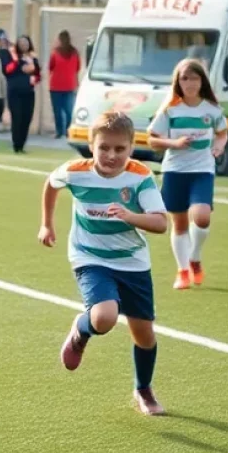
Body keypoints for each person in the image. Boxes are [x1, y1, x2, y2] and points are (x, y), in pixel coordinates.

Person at [38, 110, 169, 416]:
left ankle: (143, 389)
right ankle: (81, 330)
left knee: (144, 335)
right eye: (104, 148)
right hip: (89, 256)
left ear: (131, 148)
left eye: (120, 149)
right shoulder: (76, 171)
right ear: (91, 146)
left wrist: (130, 216)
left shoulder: (139, 177)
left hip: (133, 262)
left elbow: (161, 224)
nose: (111, 155)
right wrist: (47, 224)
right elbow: (51, 184)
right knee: (104, 317)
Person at [148, 58, 228, 290]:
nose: (190, 83)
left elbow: (222, 133)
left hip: (202, 170)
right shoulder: (170, 109)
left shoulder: (212, 110)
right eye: (185, 78)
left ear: (202, 80)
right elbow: (152, 140)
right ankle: (183, 270)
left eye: (194, 78)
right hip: (174, 170)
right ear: (178, 82)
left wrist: (219, 146)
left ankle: (194, 257)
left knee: (202, 216)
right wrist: (174, 143)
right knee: (180, 224)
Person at [2, 35, 41, 153]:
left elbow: (38, 74)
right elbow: (7, 70)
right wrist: (17, 62)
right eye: (21, 43)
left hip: (29, 92)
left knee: (26, 118)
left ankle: (22, 144)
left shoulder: (33, 58)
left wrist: (34, 77)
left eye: (26, 42)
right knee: (17, 118)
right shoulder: (11, 56)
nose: (24, 45)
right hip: (15, 92)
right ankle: (16, 145)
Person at [48, 30, 81, 140]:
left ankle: (59, 131)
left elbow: (50, 67)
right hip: (70, 85)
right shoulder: (75, 53)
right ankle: (68, 131)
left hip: (55, 85)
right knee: (68, 110)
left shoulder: (55, 53)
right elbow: (78, 68)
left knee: (57, 110)